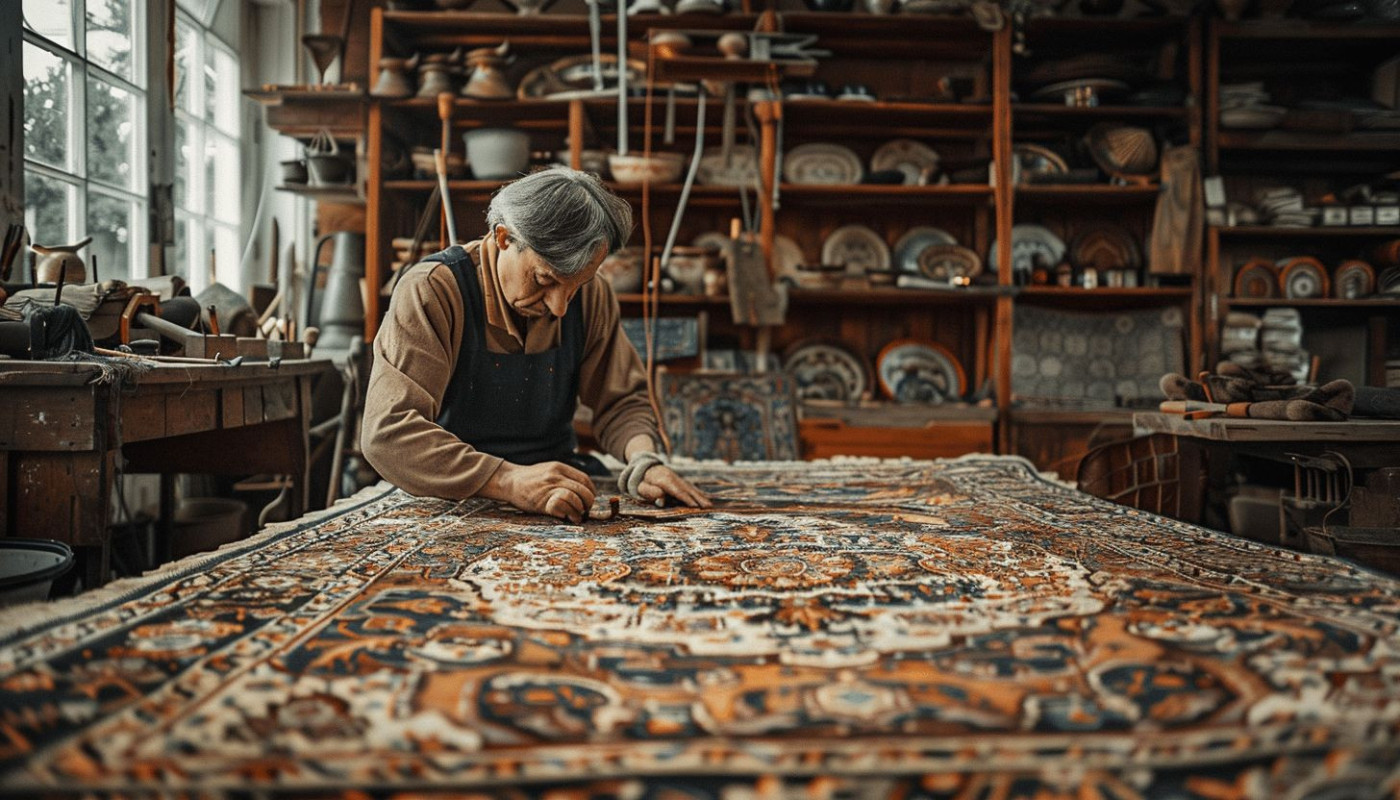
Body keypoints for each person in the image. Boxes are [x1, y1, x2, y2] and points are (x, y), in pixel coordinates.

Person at [361, 166, 711, 523]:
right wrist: (508, 480)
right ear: (503, 238)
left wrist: (643, 460)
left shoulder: (593, 296)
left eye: (575, 286)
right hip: (452, 496)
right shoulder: (433, 291)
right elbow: (389, 433)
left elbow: (620, 401)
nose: (559, 307)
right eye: (544, 279)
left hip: (556, 486)